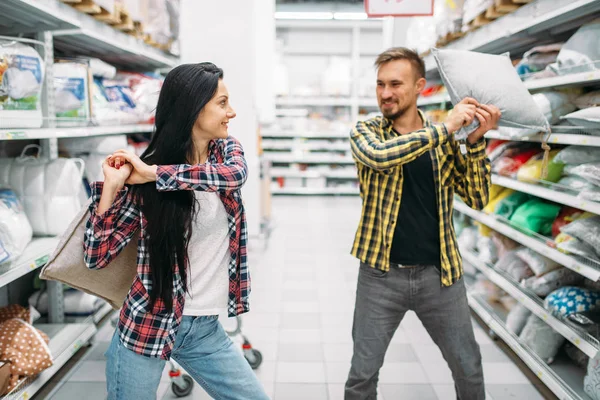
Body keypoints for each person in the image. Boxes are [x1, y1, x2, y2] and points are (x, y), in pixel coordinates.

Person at [83, 62, 269, 400]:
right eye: (222, 103)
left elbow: (234, 176)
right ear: (193, 108)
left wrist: (157, 175)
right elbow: (96, 257)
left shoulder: (226, 154)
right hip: (147, 324)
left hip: (204, 330)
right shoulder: (140, 179)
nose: (232, 112)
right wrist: (110, 190)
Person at [345, 47, 500, 400]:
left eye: (395, 84)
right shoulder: (367, 131)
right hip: (380, 275)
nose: (385, 93)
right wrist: (446, 128)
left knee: (468, 367)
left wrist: (475, 143)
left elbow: (476, 198)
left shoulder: (445, 139)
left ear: (419, 87)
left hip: (440, 276)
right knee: (362, 374)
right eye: (380, 84)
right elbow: (380, 157)